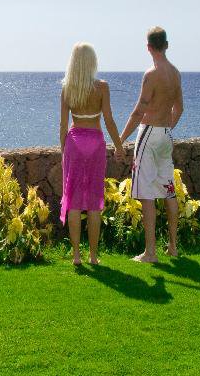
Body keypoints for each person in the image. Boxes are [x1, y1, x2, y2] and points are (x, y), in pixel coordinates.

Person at [120, 27, 183, 263]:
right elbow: (180, 109)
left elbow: (138, 112)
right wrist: (166, 129)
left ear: (148, 47)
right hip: (166, 134)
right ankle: (173, 247)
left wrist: (120, 140)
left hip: (149, 134)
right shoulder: (175, 74)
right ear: (166, 45)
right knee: (168, 191)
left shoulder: (151, 74)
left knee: (146, 194)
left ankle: (150, 252)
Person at [60, 42, 125, 266]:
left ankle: (76, 256)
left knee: (75, 202)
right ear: (92, 62)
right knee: (95, 201)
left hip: (74, 143)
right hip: (95, 143)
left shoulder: (67, 88)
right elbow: (109, 120)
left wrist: (63, 152)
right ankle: (94, 256)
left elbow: (62, 124)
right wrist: (119, 146)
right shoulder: (102, 87)